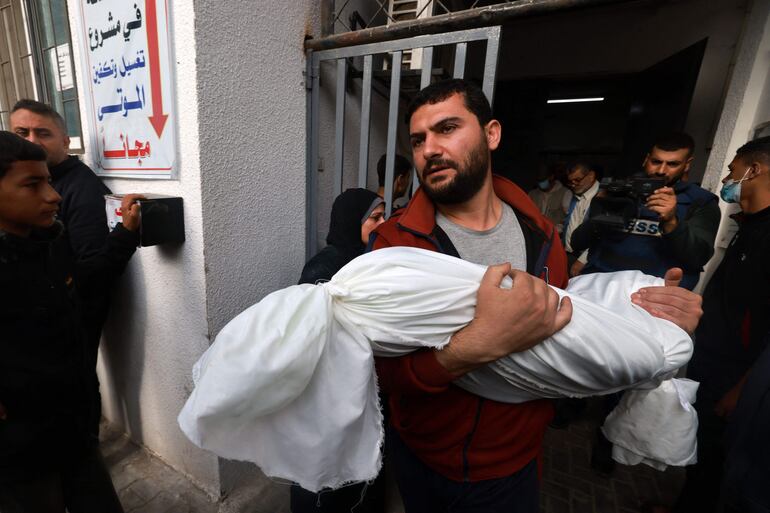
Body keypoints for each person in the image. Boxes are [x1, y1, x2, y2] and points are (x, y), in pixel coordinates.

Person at [369, 79, 703, 513]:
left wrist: (653, 315)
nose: (429, 149)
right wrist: (466, 352)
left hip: (518, 459)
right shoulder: (395, 245)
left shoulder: (541, 234)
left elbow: (569, 328)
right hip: (430, 460)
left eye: (447, 128)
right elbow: (377, 371)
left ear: (492, 134)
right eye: (418, 139)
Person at [0, 131, 142, 512]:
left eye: (48, 179)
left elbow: (86, 278)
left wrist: (125, 235)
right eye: (32, 184)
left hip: (75, 431)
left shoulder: (50, 241)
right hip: (21, 453)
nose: (53, 195)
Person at [668, 136, 770, 513]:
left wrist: (743, 390)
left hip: (737, 375)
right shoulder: (751, 226)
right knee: (703, 453)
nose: (728, 176)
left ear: (754, 170)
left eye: (733, 169)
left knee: (718, 459)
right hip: (714, 362)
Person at [10, 99, 114, 435]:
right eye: (21, 132)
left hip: (74, 313)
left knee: (80, 384)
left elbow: (94, 265)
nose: (31, 141)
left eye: (43, 133)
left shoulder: (78, 188)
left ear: (65, 141)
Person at [292, 188, 386, 513]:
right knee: (324, 478)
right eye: (375, 217)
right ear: (351, 222)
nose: (383, 223)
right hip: (330, 398)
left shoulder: (368, 262)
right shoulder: (324, 268)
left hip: (360, 391)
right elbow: (307, 336)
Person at [571, 133, 720, 290]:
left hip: (654, 296)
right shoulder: (620, 190)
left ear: (687, 164)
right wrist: (600, 211)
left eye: (672, 164)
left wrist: (671, 223)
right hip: (600, 284)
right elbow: (577, 242)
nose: (661, 170)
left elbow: (698, 258)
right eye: (656, 162)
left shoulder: (700, 201)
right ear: (646, 159)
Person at [561, 161, 600, 276]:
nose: (573, 185)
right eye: (570, 182)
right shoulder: (576, 194)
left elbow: (603, 236)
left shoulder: (603, 197)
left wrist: (582, 260)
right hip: (568, 255)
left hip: (586, 260)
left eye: (577, 180)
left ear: (591, 176)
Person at [527, 162, 567, 228]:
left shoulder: (564, 193)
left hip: (555, 233)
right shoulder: (532, 194)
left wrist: (559, 228)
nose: (540, 183)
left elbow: (568, 217)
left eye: (542, 179)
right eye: (538, 180)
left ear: (551, 177)